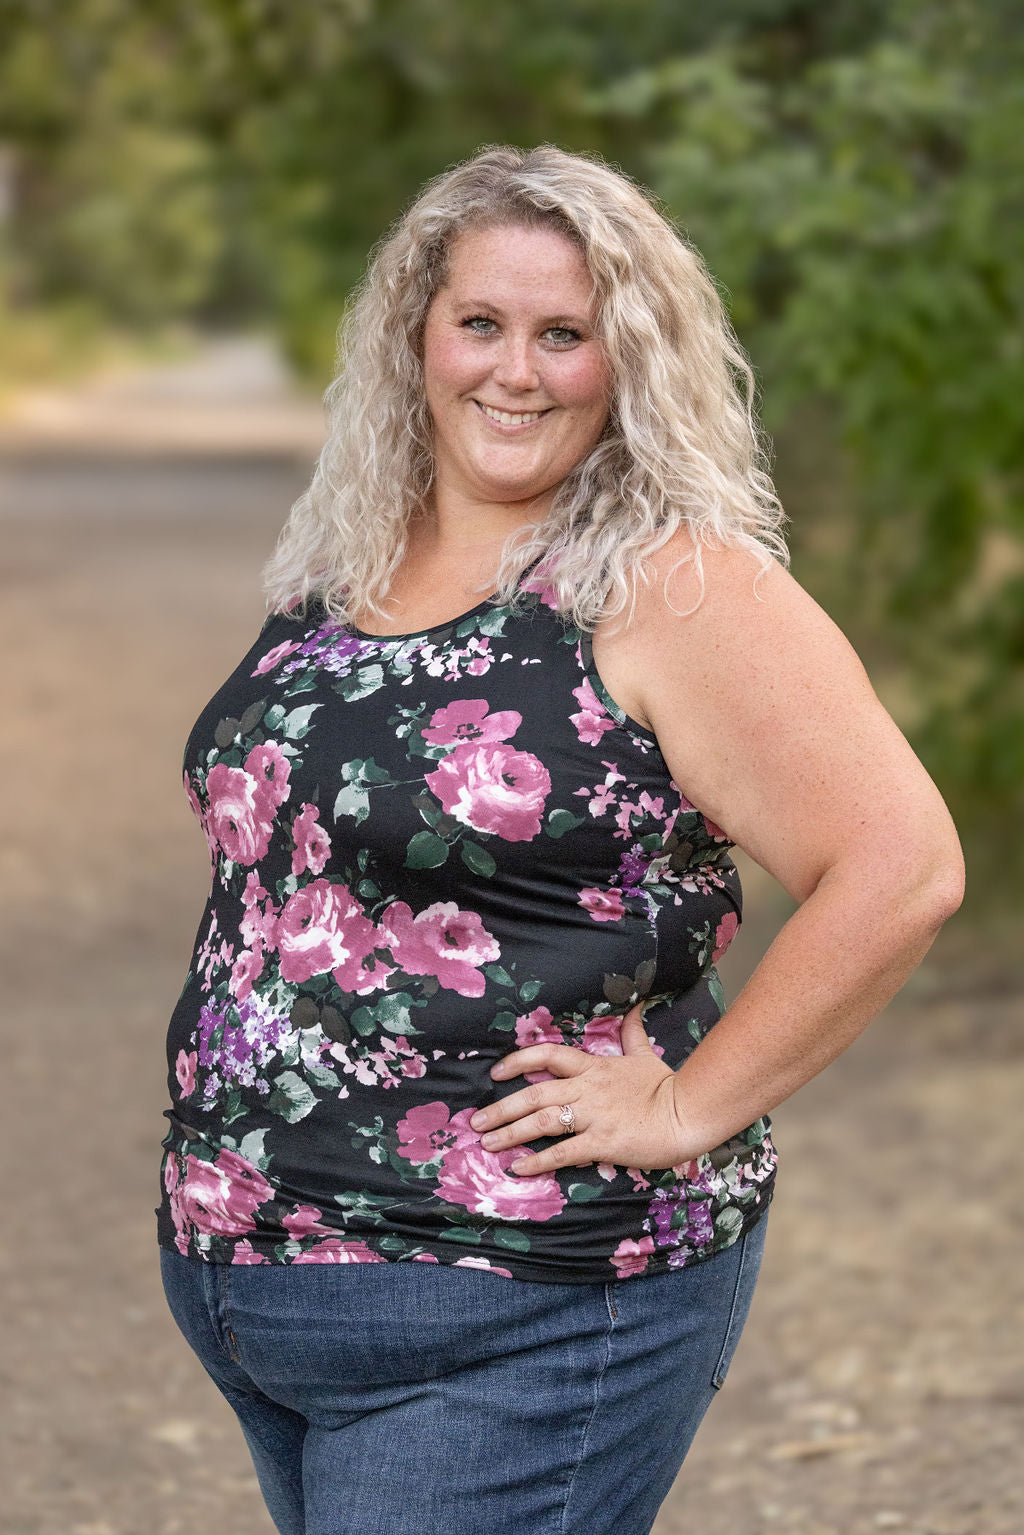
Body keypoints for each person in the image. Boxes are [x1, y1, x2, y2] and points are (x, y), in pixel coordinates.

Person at [155, 144, 965, 1535]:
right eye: (480, 323)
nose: (513, 371)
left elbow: (901, 866)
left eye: (563, 335)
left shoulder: (675, 588)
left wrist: (691, 1104)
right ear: (420, 333)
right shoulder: (348, 561)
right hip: (260, 1284)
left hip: (520, 1305)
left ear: (626, 359)